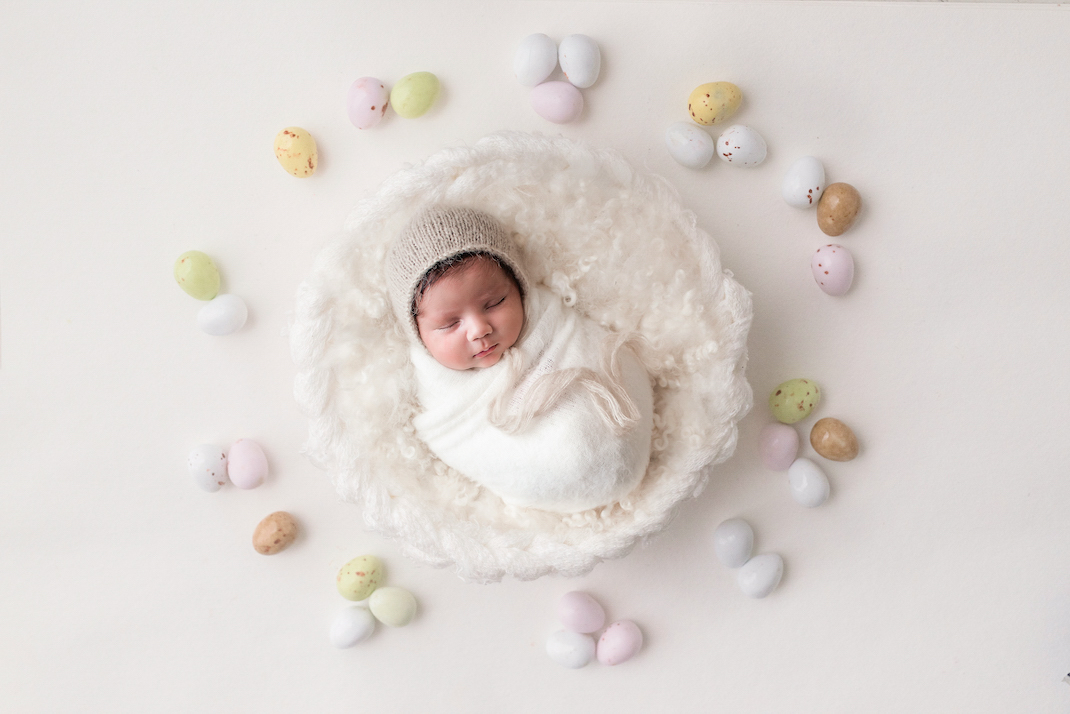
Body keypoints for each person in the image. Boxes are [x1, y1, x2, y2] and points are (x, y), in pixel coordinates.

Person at [386, 205, 653, 513]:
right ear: (418, 335)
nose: (479, 330)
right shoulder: (437, 390)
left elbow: (593, 350)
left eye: (495, 302)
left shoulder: (551, 324)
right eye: (449, 324)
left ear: (519, 286)